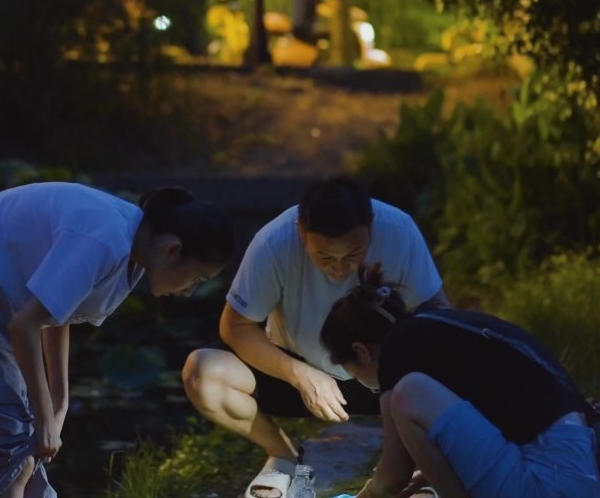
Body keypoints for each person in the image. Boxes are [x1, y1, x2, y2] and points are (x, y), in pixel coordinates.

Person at [0, 181, 234, 498]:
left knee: (25, 448)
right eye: (197, 279)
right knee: (7, 446)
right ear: (173, 250)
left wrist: (58, 408)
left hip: (1, 285)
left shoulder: (133, 254)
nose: (190, 291)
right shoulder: (106, 240)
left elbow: (56, 316)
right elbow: (25, 326)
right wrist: (44, 416)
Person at [182, 175, 448, 498]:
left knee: (455, 364)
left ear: (371, 227)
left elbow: (438, 316)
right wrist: (299, 375)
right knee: (202, 372)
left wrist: (398, 368)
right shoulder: (273, 243)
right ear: (301, 232)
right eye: (324, 257)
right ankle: (282, 456)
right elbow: (234, 327)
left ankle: (426, 468)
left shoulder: (399, 230)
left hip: (380, 369)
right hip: (295, 368)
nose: (340, 269)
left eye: (353, 255)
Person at [319, 263, 600, 498]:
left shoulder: (398, 347)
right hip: (580, 479)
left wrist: (363, 496)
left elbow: (392, 477)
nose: (371, 387)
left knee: (407, 395)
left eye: (357, 375)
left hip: (545, 482)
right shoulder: (440, 328)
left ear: (361, 351)